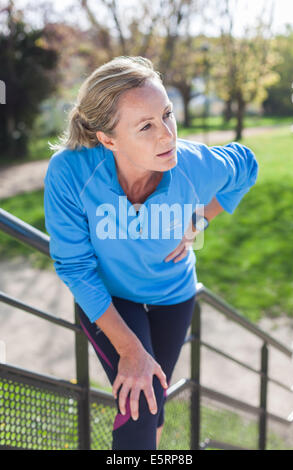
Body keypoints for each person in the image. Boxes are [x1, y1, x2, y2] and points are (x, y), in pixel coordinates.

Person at [44, 56, 258, 450]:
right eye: (146, 126)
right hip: (111, 298)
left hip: (173, 293)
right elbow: (75, 266)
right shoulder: (70, 172)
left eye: (167, 115)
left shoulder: (194, 165)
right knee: (141, 408)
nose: (167, 135)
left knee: (153, 404)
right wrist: (131, 350)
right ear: (108, 139)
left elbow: (247, 165)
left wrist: (199, 221)